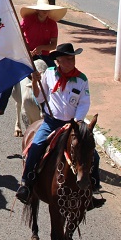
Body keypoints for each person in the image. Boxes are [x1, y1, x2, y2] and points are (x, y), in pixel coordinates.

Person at [15, 43, 104, 209]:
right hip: (51, 122)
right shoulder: (48, 74)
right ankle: (26, 184)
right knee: (35, 147)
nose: (71, 61)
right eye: (67, 59)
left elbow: (84, 103)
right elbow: (40, 98)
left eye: (73, 58)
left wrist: (77, 122)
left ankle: (92, 190)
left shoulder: (82, 79)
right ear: (59, 61)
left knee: (93, 155)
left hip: (73, 124)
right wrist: (35, 82)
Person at [0, 0, 66, 116]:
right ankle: (0, 107)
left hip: (44, 56)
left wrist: (41, 48)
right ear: (37, 10)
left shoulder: (52, 24)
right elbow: (17, 35)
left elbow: (53, 45)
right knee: (11, 75)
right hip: (27, 54)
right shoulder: (28, 20)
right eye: (42, 9)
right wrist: (26, 50)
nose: (44, 12)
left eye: (46, 10)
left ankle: (61, 105)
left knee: (58, 76)